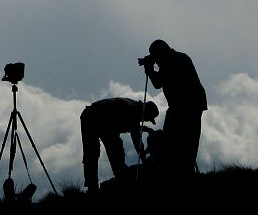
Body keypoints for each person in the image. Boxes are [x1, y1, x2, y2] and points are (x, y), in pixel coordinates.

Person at [139, 38, 207, 175]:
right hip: (191, 105)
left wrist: (150, 69)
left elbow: (158, 83)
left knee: (175, 141)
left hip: (183, 107)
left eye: (156, 58)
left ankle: (177, 173)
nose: (157, 62)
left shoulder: (172, 61)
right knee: (188, 142)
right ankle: (184, 172)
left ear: (160, 53)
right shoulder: (178, 57)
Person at [80, 97, 159, 192]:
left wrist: (147, 129)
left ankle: (94, 186)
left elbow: (134, 127)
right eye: (148, 119)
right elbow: (136, 139)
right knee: (107, 150)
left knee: (93, 152)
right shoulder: (134, 111)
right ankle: (120, 179)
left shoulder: (134, 107)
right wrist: (143, 159)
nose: (146, 121)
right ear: (146, 112)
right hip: (98, 118)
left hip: (92, 116)